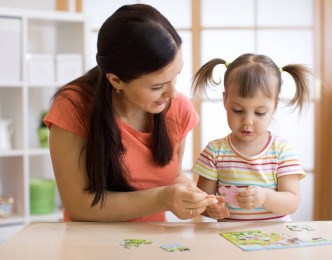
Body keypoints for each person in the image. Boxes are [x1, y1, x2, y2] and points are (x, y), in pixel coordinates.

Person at [44, 4, 217, 222]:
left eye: (176, 76)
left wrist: (201, 200)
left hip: (156, 244)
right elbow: (79, 206)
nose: (173, 93)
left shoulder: (177, 107)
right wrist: (162, 199)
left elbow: (173, 177)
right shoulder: (74, 106)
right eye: (157, 86)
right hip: (90, 245)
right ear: (115, 80)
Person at [191, 53, 312, 221]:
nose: (247, 121)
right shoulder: (215, 151)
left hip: (276, 240)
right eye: (238, 110)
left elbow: (292, 202)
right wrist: (209, 209)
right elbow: (203, 200)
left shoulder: (282, 150)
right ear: (225, 100)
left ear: (275, 106)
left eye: (260, 113)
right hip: (227, 240)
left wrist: (265, 197)